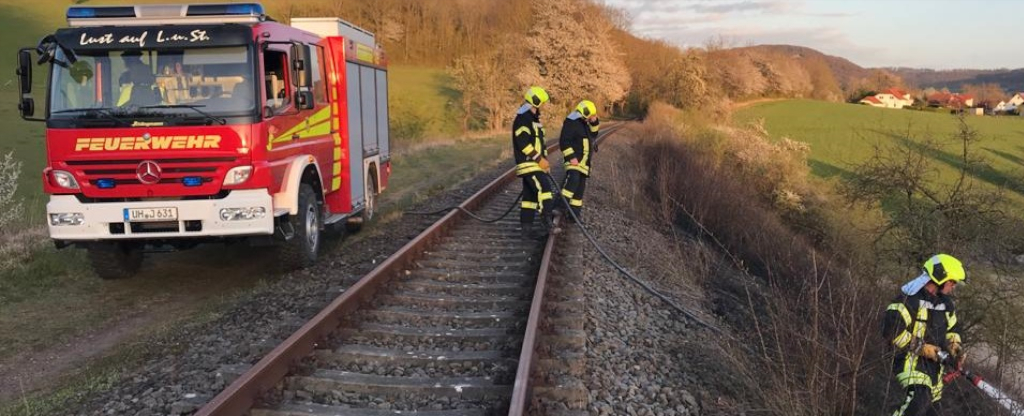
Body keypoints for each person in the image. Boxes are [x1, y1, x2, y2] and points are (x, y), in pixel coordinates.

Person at [882, 254, 967, 416]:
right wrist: (922, 348)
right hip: (908, 363)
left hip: (935, 370)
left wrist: (954, 345)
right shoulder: (908, 300)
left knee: (933, 411)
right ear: (940, 277)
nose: (953, 286)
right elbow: (891, 331)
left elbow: (953, 328)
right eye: (952, 281)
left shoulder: (946, 304)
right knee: (918, 400)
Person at [512, 86, 554, 240]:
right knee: (545, 188)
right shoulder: (523, 119)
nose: (543, 106)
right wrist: (539, 159)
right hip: (529, 163)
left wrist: (545, 162)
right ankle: (547, 222)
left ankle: (526, 230)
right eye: (541, 103)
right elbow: (523, 143)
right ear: (536, 102)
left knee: (530, 198)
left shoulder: (533, 119)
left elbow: (539, 144)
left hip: (535, 163)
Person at [558, 100, 598, 223]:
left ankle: (574, 215)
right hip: (574, 161)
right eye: (590, 115)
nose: (591, 117)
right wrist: (571, 157)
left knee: (579, 191)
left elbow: (594, 133)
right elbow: (564, 141)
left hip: (584, 163)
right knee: (573, 181)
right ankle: (559, 206)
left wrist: (594, 121)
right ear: (585, 112)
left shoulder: (584, 123)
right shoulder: (571, 122)